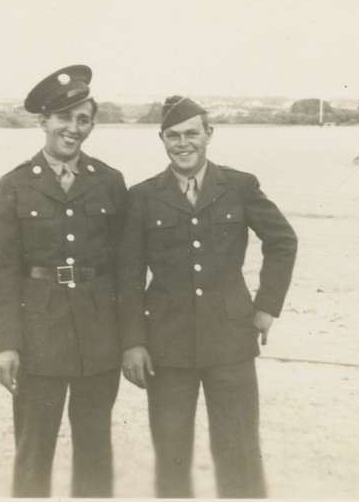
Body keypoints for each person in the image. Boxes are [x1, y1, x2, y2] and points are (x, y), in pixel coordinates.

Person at [117, 95, 297, 498]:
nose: (183, 144)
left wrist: (267, 306)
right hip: (167, 344)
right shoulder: (143, 196)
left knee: (240, 452)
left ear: (209, 134)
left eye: (192, 134)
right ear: (161, 139)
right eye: (173, 136)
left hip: (231, 340)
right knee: (171, 454)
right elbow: (127, 275)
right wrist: (132, 341)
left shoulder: (239, 185)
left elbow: (283, 240)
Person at [0, 64, 128, 497]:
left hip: (98, 337)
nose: (73, 128)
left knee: (95, 453)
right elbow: (2, 270)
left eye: (83, 119)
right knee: (34, 452)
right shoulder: (14, 185)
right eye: (64, 118)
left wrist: (129, 336)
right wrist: (7, 344)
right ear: (43, 121)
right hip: (38, 337)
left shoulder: (109, 181)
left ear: (92, 123)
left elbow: (125, 267)